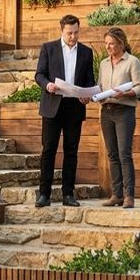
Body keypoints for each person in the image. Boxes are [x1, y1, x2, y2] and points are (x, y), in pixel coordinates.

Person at [34, 14, 94, 208]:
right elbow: (39, 75)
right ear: (62, 31)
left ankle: (68, 194)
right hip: (52, 105)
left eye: (76, 32)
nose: (73, 36)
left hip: (74, 106)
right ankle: (44, 194)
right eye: (69, 33)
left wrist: (87, 94)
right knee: (48, 150)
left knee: (71, 151)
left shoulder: (86, 52)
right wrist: (48, 85)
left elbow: (89, 81)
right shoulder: (48, 48)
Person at [97, 27, 140, 209]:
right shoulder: (103, 64)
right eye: (106, 44)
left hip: (124, 111)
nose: (108, 47)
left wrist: (124, 94)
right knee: (112, 154)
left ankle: (128, 196)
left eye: (111, 44)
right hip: (106, 111)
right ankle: (116, 194)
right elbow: (101, 86)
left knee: (124, 154)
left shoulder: (133, 62)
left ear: (121, 43)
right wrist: (94, 94)